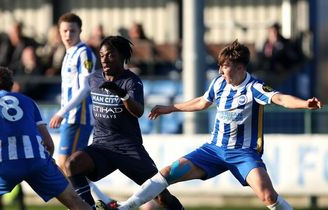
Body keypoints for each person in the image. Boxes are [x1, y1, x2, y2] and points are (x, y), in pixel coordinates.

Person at [117, 40, 323, 210]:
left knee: (268, 196)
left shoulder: (255, 87)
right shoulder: (219, 83)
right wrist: (171, 108)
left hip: (243, 153)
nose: (220, 70)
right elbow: (201, 102)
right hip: (213, 150)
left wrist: (305, 104)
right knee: (167, 172)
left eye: (225, 66)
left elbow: (281, 99)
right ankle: (124, 207)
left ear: (240, 67)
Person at [64, 35, 184, 210]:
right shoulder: (94, 79)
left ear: (122, 57)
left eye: (110, 55)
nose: (105, 59)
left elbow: (138, 111)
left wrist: (122, 94)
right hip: (102, 147)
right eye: (102, 55)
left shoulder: (131, 81)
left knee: (161, 195)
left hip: (129, 149)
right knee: (72, 164)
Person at [0, 65, 91, 210]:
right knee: (75, 201)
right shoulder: (29, 102)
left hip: (6, 162)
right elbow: (48, 144)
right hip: (38, 160)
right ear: (11, 85)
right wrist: (46, 162)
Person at [48, 12, 113, 206]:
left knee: (67, 166)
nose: (68, 35)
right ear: (59, 32)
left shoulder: (84, 52)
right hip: (71, 117)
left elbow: (86, 86)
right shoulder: (69, 53)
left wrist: (62, 111)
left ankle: (89, 205)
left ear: (80, 31)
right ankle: (106, 203)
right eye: (64, 31)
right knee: (69, 167)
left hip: (79, 116)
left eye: (72, 31)